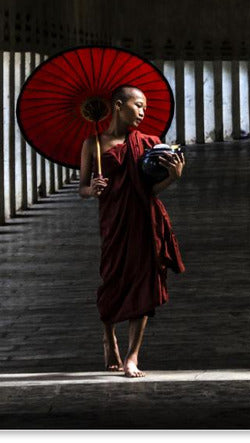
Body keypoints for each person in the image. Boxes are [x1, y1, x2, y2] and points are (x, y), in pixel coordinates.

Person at [78, 85, 186, 378]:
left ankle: (132, 356)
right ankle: (108, 334)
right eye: (137, 105)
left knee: (144, 283)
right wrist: (93, 189)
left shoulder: (149, 143)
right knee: (113, 278)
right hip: (113, 222)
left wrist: (173, 178)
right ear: (117, 105)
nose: (142, 112)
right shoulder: (94, 144)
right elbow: (82, 189)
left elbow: (150, 188)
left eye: (145, 108)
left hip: (144, 220)